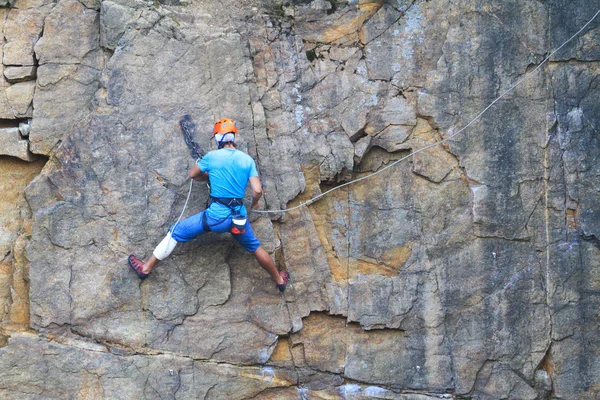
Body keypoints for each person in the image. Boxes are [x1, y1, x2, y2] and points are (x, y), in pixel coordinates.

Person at [128, 118, 289, 291]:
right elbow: (257, 190)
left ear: (218, 138)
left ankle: (146, 269)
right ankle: (279, 280)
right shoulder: (247, 160)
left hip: (214, 218)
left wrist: (209, 176)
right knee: (255, 247)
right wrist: (255, 203)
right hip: (238, 219)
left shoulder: (212, 157)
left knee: (176, 232)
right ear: (234, 137)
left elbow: (192, 175)